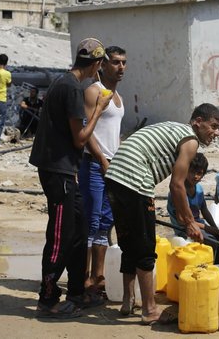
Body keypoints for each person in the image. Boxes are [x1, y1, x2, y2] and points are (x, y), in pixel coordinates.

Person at [104, 104, 219, 325]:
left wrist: (184, 215)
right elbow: (177, 184)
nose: (216, 133)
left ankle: (127, 300)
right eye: (214, 126)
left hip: (114, 177)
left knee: (129, 242)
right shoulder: (190, 140)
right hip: (134, 180)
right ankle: (149, 309)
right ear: (197, 121)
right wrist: (190, 222)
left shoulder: (176, 130)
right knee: (146, 246)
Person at [29, 38, 113, 319]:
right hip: (59, 170)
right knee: (61, 235)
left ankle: (77, 292)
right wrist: (99, 109)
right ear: (97, 65)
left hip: (65, 170)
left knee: (78, 231)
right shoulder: (74, 89)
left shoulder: (62, 82)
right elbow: (79, 139)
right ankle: (48, 298)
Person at [78, 45, 127, 295]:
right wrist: (103, 160)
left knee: (106, 223)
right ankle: (82, 278)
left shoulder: (117, 98)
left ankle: (98, 277)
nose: (121, 68)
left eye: (124, 63)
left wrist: (117, 162)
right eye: (116, 62)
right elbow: (86, 134)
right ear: (103, 64)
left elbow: (113, 136)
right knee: (91, 221)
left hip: (112, 166)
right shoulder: (93, 91)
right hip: (95, 165)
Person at [167, 152, 219, 242]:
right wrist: (208, 229)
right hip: (184, 230)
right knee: (212, 243)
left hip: (199, 225)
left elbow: (204, 210)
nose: (195, 176)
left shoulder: (199, 189)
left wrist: (215, 228)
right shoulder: (178, 191)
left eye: (199, 173)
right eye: (192, 172)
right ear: (186, 170)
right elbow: (181, 220)